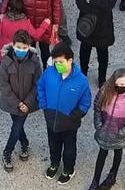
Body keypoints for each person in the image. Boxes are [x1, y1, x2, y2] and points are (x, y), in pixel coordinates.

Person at [37, 44, 92, 184]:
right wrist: (44, 106)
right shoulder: (49, 73)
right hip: (51, 119)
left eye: (61, 62)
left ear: (70, 60)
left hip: (69, 123)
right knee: (53, 145)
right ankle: (54, 163)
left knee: (69, 149)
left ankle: (68, 169)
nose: (57, 65)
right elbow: (40, 87)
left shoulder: (81, 80)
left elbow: (85, 102)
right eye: (55, 62)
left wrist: (75, 115)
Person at [0, 29, 43, 172]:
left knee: (16, 126)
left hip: (27, 103)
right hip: (12, 102)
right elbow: (3, 83)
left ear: (29, 46)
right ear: (13, 45)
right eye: (18, 47)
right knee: (17, 126)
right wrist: (17, 103)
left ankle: (7, 152)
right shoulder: (5, 61)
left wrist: (27, 102)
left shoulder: (35, 61)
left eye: (24, 48)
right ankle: (24, 142)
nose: (21, 50)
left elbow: (37, 83)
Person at [74, 0, 116, 86]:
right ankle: (83, 74)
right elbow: (80, 2)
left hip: (104, 26)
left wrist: (91, 0)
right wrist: (101, 3)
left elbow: (111, 2)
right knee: (85, 50)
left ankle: (102, 78)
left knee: (103, 53)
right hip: (87, 24)